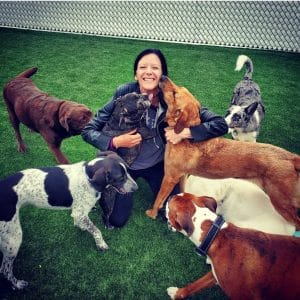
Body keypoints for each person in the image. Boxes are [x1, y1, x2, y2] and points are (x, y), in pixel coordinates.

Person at [81, 48, 228, 227]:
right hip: (123, 163)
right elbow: (88, 130)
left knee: (173, 212)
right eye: (143, 67)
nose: (149, 71)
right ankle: (101, 185)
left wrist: (184, 132)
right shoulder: (124, 93)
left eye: (155, 68)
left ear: (162, 75)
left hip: (158, 164)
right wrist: (115, 142)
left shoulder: (176, 98)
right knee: (116, 220)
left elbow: (220, 124)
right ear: (136, 74)